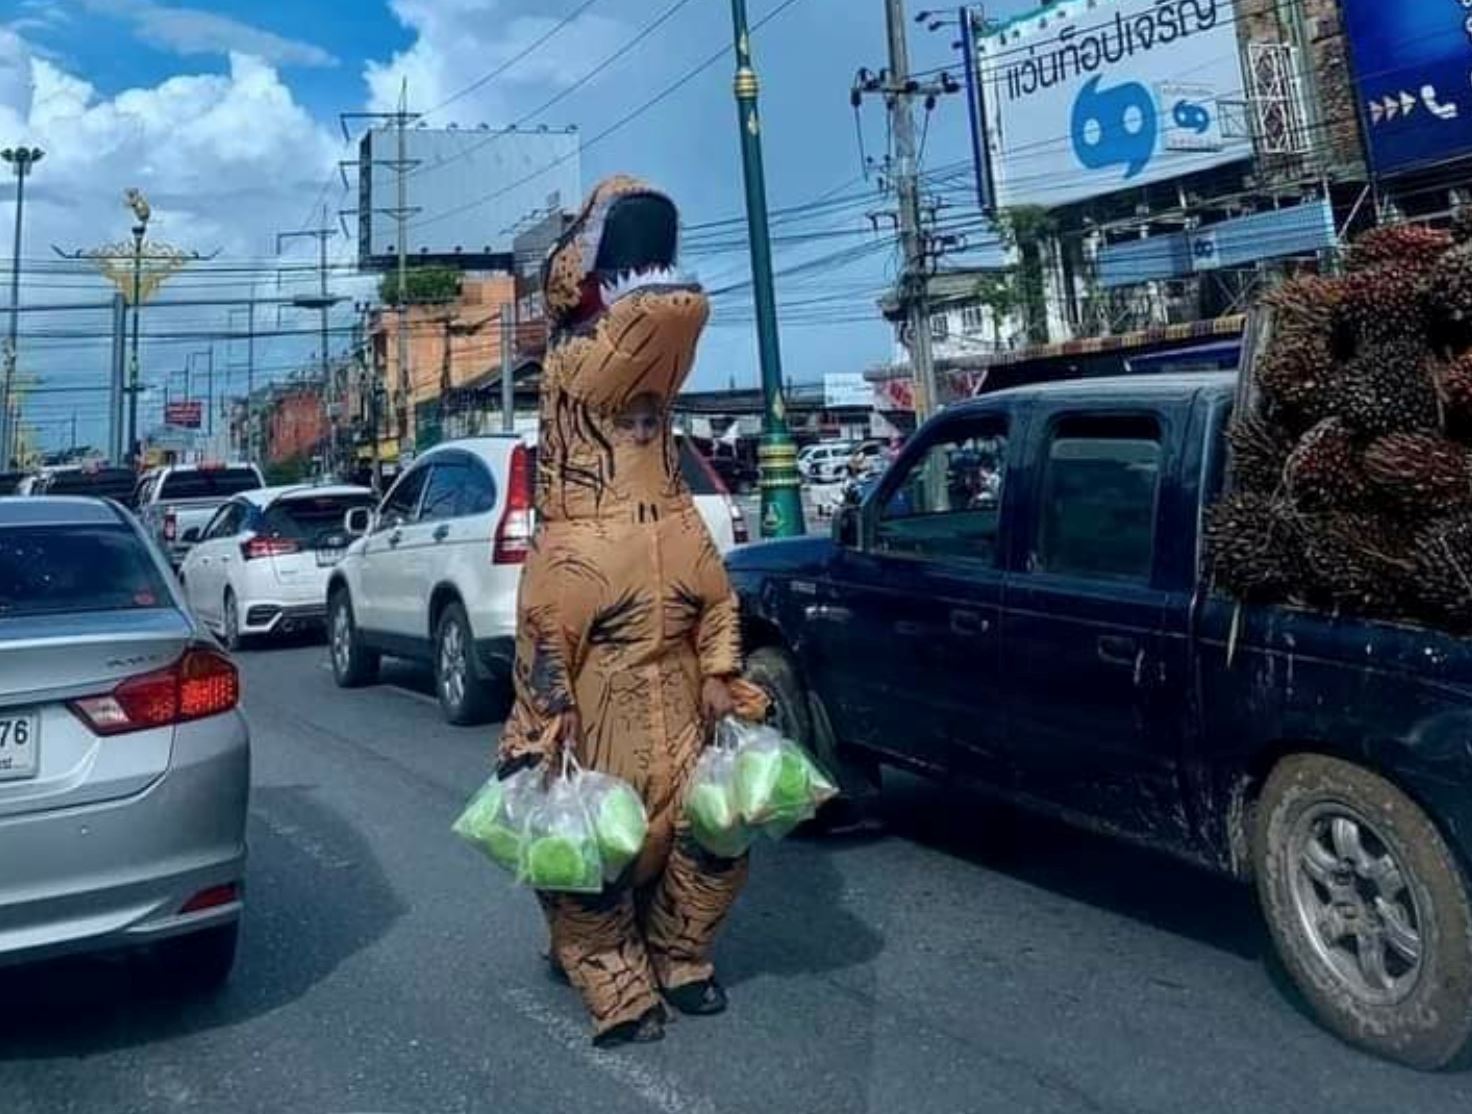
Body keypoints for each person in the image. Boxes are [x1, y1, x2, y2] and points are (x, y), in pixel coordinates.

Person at [496, 176, 767, 1048]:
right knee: (586, 846)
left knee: (723, 823)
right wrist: (547, 718)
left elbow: (717, 604)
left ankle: (680, 953)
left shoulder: (684, 508)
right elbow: (544, 647)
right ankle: (608, 968)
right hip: (600, 725)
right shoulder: (567, 516)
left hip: (681, 716)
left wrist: (723, 669)